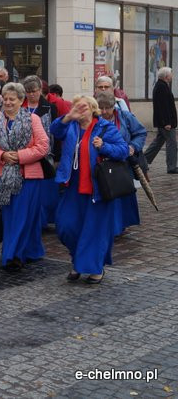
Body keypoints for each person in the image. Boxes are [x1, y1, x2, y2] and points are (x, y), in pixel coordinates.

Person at [51, 95, 128, 284]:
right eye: (76, 106)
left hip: (97, 189)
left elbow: (123, 150)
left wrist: (104, 146)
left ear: (93, 108)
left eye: (83, 106)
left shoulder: (104, 127)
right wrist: (68, 116)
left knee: (94, 231)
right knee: (66, 227)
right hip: (72, 187)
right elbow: (54, 130)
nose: (80, 109)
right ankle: (78, 259)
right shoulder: (70, 125)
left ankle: (92, 267)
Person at [0, 83, 49, 271]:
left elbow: (43, 146)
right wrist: (2, 155)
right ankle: (23, 251)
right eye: (5, 99)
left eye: (12, 99)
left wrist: (20, 156)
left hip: (28, 176)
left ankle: (14, 255)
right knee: (11, 217)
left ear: (21, 101)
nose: (8, 102)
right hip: (5, 176)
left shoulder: (33, 119)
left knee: (24, 217)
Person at [97, 91, 146, 235]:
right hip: (102, 164)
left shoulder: (125, 117)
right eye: (101, 108)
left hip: (122, 163)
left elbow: (141, 133)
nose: (105, 111)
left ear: (114, 106)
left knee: (121, 193)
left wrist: (133, 146)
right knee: (106, 194)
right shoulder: (94, 119)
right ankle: (108, 225)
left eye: (108, 108)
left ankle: (120, 225)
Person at [21, 75, 59, 228]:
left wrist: (57, 155)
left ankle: (44, 220)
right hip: (25, 154)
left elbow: (56, 132)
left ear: (40, 90)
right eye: (28, 91)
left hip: (45, 154)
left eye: (34, 91)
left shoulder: (50, 108)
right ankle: (31, 219)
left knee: (45, 192)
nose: (31, 94)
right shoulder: (21, 107)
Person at [144, 67, 177, 174]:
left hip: (164, 122)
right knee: (172, 143)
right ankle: (172, 167)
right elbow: (163, 107)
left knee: (158, 142)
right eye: (171, 74)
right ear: (166, 76)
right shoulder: (161, 87)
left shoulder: (162, 85)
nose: (172, 75)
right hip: (166, 123)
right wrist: (166, 123)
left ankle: (143, 161)